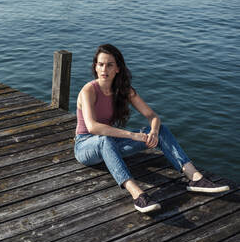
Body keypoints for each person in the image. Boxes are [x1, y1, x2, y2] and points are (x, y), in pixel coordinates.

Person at [74, 44, 230, 213]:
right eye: (100, 64)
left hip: (110, 143)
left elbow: (153, 117)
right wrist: (132, 135)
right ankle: (138, 195)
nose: (104, 69)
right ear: (95, 67)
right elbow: (93, 127)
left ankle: (195, 178)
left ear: (118, 68)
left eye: (109, 65)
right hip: (85, 147)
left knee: (162, 130)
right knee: (104, 140)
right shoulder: (88, 90)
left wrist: (154, 133)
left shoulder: (124, 90)